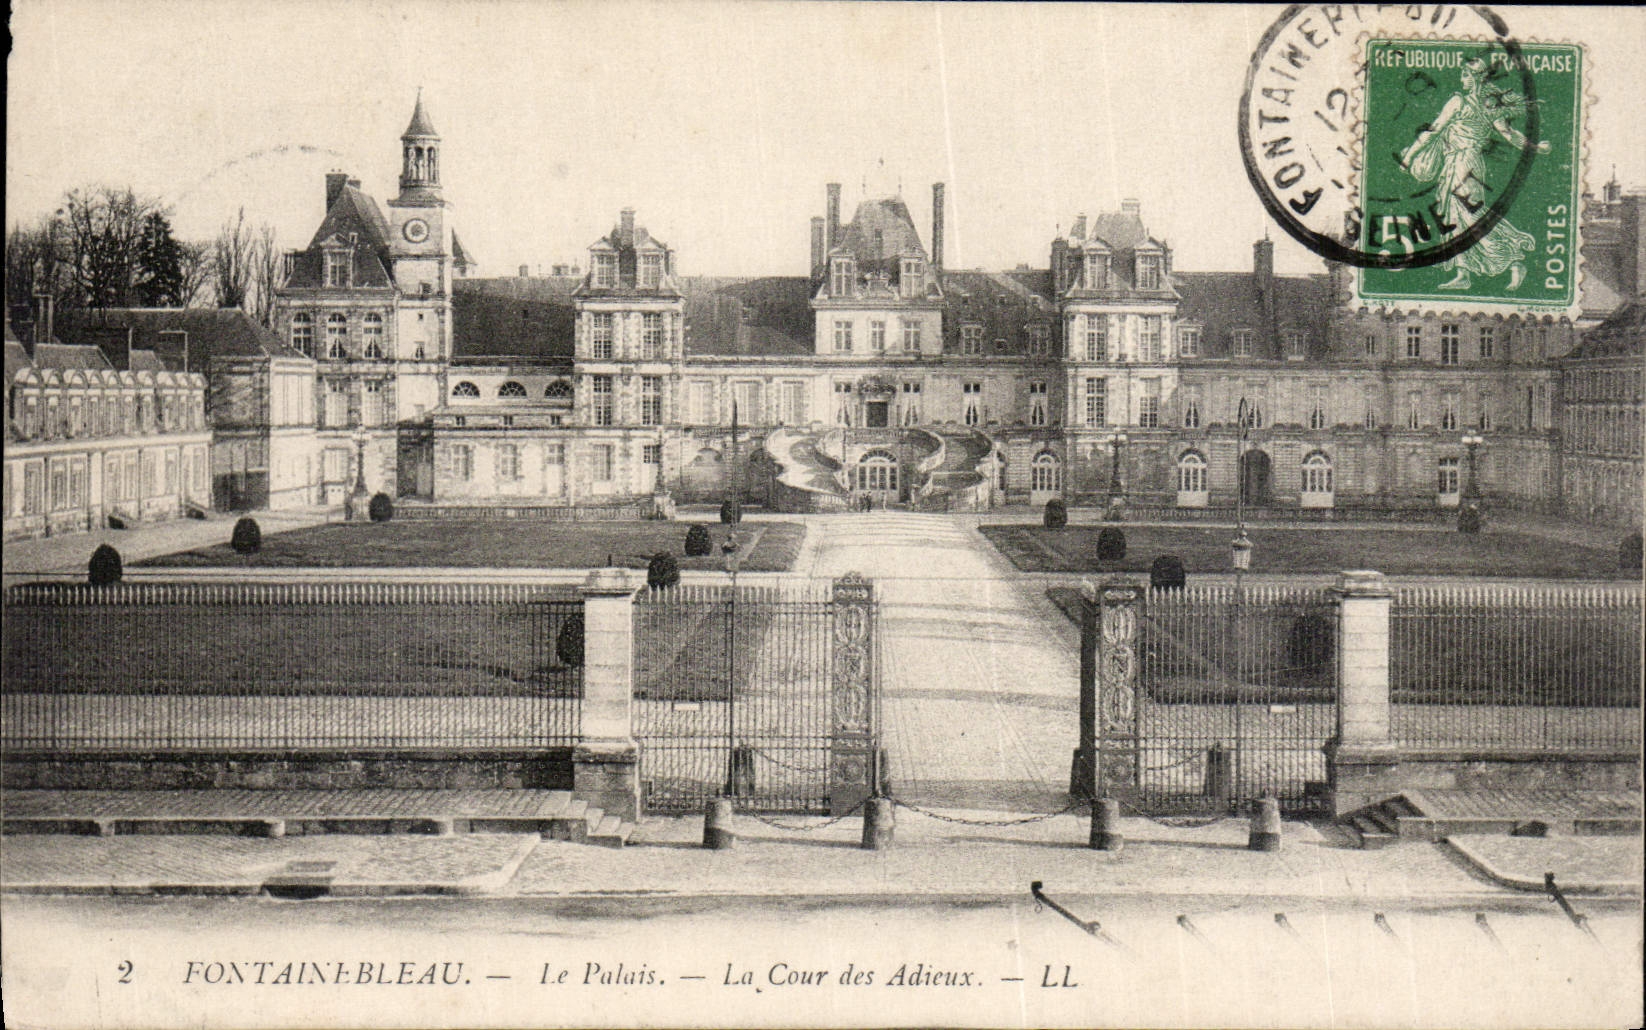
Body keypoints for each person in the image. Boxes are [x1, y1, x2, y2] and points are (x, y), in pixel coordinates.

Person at [1399, 55, 1552, 291]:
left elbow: (1434, 130)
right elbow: (1510, 135)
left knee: (1466, 215)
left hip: (1462, 162)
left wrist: (1409, 156)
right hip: (1465, 162)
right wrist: (1536, 147)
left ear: (1476, 78)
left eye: (1465, 75)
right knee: (1455, 216)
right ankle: (1465, 273)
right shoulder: (1489, 107)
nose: (1462, 79)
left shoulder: (1458, 102)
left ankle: (1512, 259)